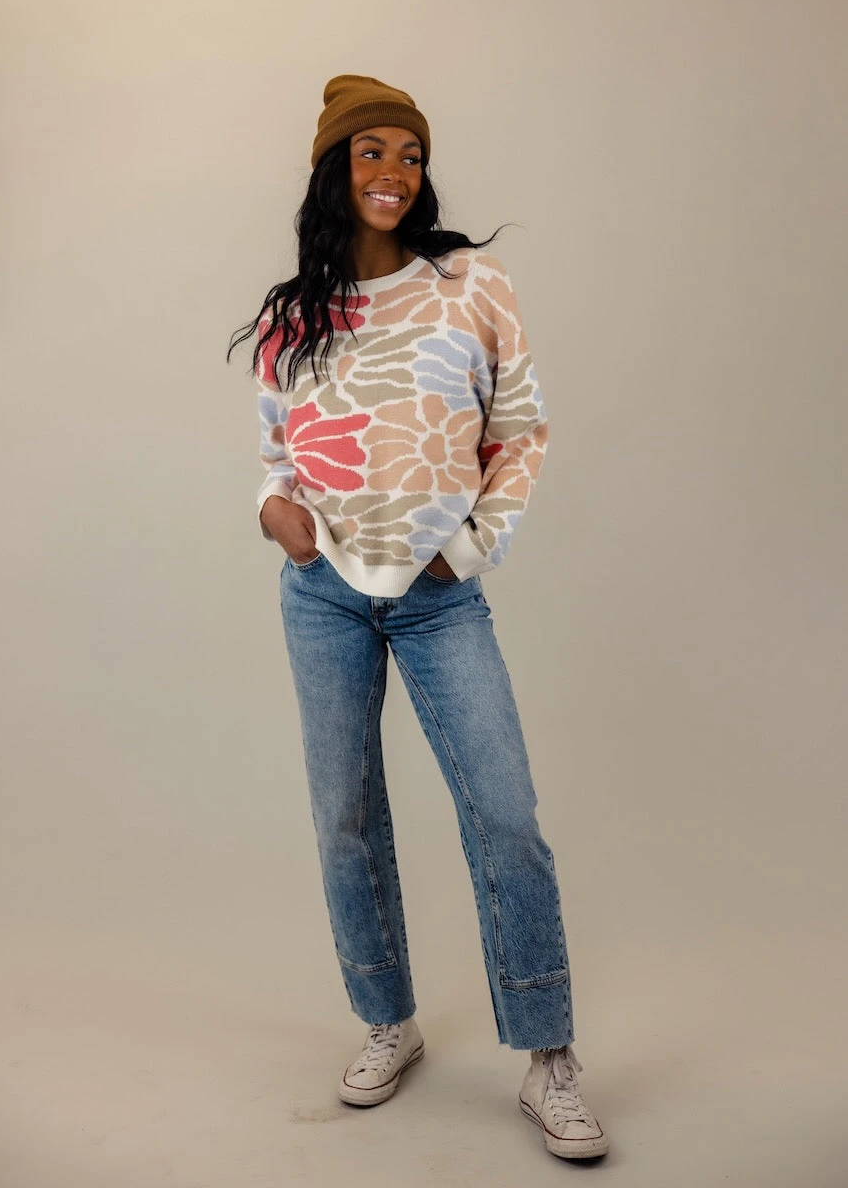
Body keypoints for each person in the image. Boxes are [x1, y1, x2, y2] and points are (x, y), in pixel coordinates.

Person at [228, 74, 610, 1162]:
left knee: (505, 814)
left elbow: (520, 430)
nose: (393, 172)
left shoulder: (469, 283)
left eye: (409, 154)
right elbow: (276, 451)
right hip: (323, 593)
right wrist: (270, 511)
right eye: (371, 152)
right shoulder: (289, 314)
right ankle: (386, 1018)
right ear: (333, 169)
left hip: (438, 597)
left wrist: (469, 546)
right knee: (345, 816)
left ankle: (548, 1055)